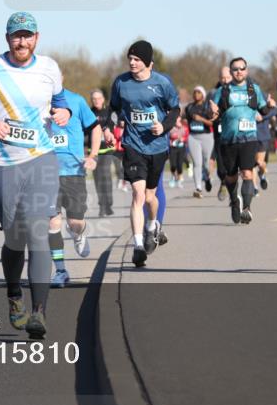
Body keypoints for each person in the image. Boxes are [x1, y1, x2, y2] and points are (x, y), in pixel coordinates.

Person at [0, 12, 71, 340]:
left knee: (37, 232)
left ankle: (39, 312)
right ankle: (13, 294)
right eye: (15, 36)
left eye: (27, 36)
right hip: (1, 165)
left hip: (40, 159)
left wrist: (63, 112)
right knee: (15, 236)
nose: (21, 41)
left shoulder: (49, 67)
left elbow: (61, 103)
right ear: (7, 38)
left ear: (36, 37)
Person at [109, 40, 180, 267]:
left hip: (157, 146)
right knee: (138, 196)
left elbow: (175, 109)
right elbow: (112, 108)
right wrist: (109, 128)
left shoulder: (162, 83)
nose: (132, 62)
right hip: (133, 145)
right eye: (130, 58)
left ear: (148, 62)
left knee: (150, 197)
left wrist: (164, 126)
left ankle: (153, 226)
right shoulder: (121, 83)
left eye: (137, 59)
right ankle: (138, 245)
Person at [48, 89, 101, 287]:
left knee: (74, 222)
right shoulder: (35, 100)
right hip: (46, 173)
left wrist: (93, 155)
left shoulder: (76, 100)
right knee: (52, 223)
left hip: (73, 171)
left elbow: (95, 127)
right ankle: (61, 271)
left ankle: (80, 232)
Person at [211, 58, 270, 225]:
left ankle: (247, 208)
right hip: (228, 140)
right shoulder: (222, 91)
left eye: (241, 68)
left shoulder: (254, 89)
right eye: (235, 69)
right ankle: (234, 201)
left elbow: (264, 109)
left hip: (249, 138)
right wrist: (212, 112)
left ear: (246, 70)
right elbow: (213, 116)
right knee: (230, 177)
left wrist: (271, 106)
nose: (238, 71)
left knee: (247, 173)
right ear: (230, 72)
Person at [89, 89, 118, 217]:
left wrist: (105, 129)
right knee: (97, 178)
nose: (96, 101)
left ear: (103, 99)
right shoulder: (89, 112)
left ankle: (109, 204)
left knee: (105, 176)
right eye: (94, 99)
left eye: (99, 98)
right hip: (93, 151)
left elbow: (112, 124)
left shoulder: (109, 111)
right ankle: (102, 206)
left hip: (107, 149)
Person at [184, 86, 216, 198]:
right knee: (197, 163)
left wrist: (201, 119)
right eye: (194, 92)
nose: (196, 94)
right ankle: (198, 188)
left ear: (203, 94)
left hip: (207, 136)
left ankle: (207, 178)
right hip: (193, 137)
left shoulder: (207, 107)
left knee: (206, 163)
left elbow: (212, 124)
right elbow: (185, 119)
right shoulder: (189, 107)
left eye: (198, 92)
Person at [212, 65, 232, 201]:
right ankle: (223, 182)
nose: (225, 80)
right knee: (221, 164)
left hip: (234, 132)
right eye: (222, 78)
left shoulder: (240, 90)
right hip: (220, 132)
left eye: (227, 77)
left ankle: (234, 192)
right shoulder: (217, 92)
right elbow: (212, 111)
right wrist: (212, 113)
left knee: (233, 163)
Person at [254, 92, 277, 190]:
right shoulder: (242, 96)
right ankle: (254, 188)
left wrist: (262, 118)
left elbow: (275, 110)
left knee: (259, 162)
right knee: (251, 164)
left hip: (262, 135)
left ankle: (262, 174)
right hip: (248, 135)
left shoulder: (262, 96)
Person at [167, 117, 189, 188]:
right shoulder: (171, 128)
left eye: (178, 120)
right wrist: (171, 140)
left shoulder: (184, 128)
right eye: (176, 120)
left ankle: (179, 180)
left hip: (181, 148)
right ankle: (173, 176)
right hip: (173, 148)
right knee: (173, 165)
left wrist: (183, 139)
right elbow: (168, 136)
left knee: (179, 165)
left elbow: (187, 136)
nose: (177, 121)